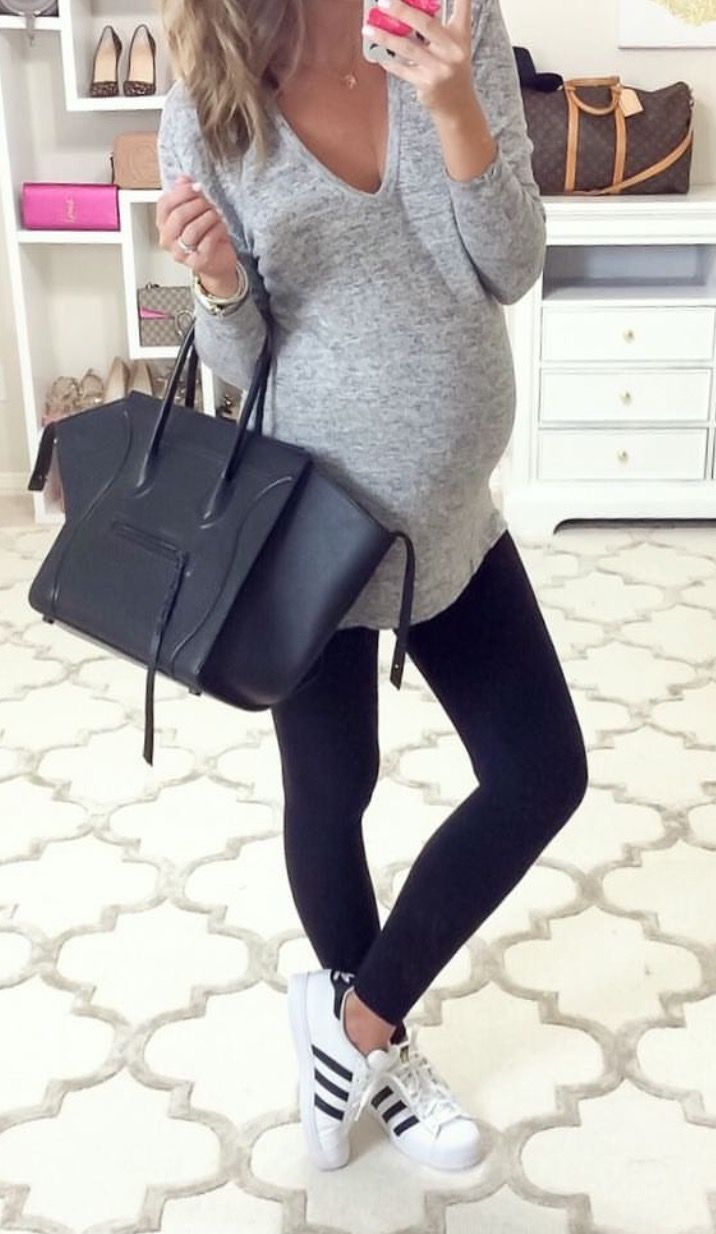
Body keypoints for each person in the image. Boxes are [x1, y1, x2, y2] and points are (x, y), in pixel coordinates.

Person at [155, 0, 588, 1175]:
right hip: (308, 530)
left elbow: (510, 266)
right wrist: (213, 283)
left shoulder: (455, 24)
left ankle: (352, 1025)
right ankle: (383, 1054)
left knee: (541, 772)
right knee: (332, 785)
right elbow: (240, 360)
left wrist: (450, 105)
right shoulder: (207, 89)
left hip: (449, 516)